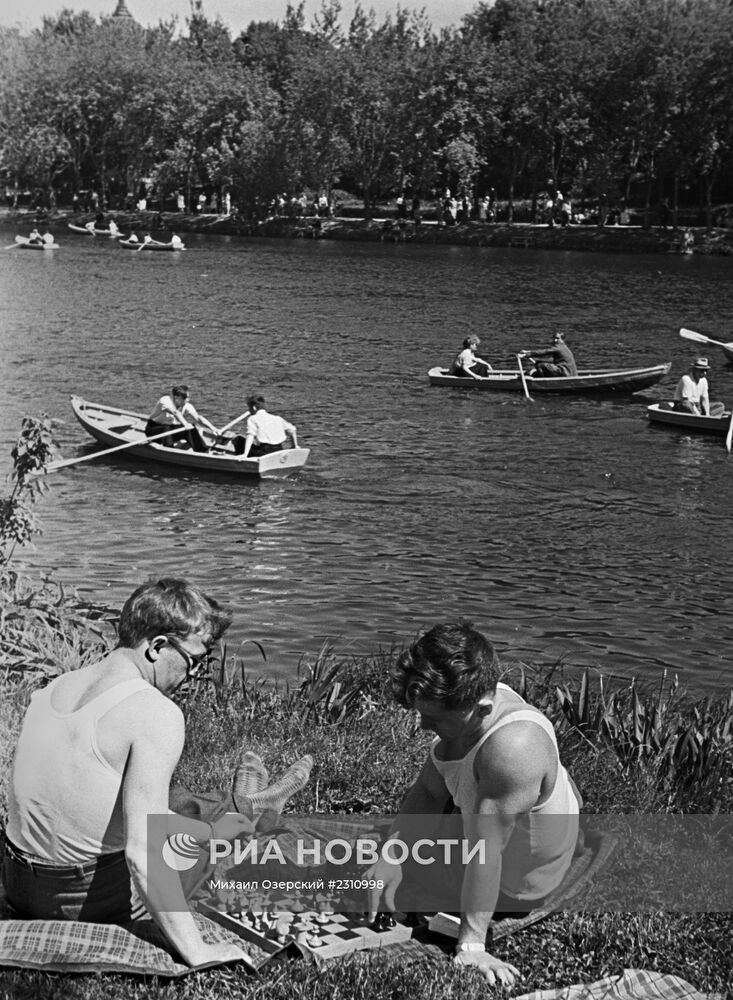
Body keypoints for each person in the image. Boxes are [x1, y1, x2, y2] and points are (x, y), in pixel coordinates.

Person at [3, 578, 314, 965]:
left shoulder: (54, 688)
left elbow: (95, 811)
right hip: (85, 900)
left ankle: (245, 806)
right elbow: (143, 852)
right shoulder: (155, 713)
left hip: (19, 886)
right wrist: (197, 950)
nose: (192, 676)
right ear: (157, 647)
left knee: (192, 818)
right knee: (214, 854)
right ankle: (254, 806)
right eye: (194, 661)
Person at [366, 621, 580, 988]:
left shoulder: (513, 750)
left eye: (433, 719)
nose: (421, 726)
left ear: (482, 710)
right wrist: (394, 855)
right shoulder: (478, 701)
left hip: (518, 880)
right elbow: (430, 792)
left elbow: (485, 852)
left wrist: (471, 944)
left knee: (346, 866)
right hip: (498, 820)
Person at [146, 384, 219, 453]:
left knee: (192, 428)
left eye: (188, 397)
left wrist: (213, 428)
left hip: (169, 432)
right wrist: (185, 424)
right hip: (153, 430)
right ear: (176, 398)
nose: (188, 400)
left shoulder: (187, 406)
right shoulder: (165, 400)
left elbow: (198, 418)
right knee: (166, 427)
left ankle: (201, 451)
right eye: (185, 398)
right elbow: (175, 413)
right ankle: (170, 450)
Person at [232, 395, 298, 458]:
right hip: (279, 450)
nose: (249, 410)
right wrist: (295, 446)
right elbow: (292, 430)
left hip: (264, 452)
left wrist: (245, 454)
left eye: (249, 408)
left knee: (238, 439)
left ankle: (243, 462)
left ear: (254, 407)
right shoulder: (277, 418)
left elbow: (250, 436)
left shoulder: (252, 418)